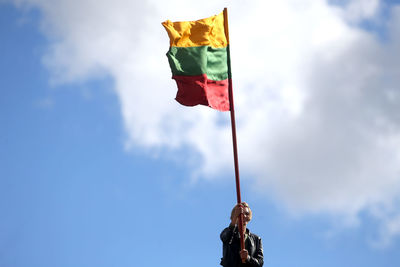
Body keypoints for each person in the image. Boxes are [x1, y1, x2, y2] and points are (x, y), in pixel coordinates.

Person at [220, 202, 264, 267]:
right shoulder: (228, 232)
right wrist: (234, 219)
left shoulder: (256, 239)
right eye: (241, 214)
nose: (244, 216)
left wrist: (248, 258)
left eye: (246, 214)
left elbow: (260, 262)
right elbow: (225, 238)